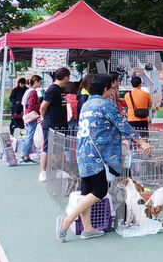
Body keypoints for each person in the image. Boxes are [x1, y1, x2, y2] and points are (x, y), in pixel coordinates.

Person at [56, 74, 151, 242]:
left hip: (83, 152)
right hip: (97, 154)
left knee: (86, 192)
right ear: (106, 89)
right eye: (112, 88)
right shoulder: (104, 105)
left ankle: (88, 228)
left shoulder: (86, 104)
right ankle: (68, 219)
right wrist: (142, 142)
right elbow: (123, 126)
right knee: (100, 191)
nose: (113, 91)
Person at [39, 67, 71, 182]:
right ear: (66, 76)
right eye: (69, 76)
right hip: (51, 124)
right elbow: (43, 106)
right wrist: (43, 117)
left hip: (61, 124)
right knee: (47, 148)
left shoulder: (60, 89)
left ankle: (58, 170)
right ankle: (43, 172)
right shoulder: (52, 89)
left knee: (59, 148)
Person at [20, 76, 43, 163]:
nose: (40, 84)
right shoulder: (33, 92)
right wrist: (40, 105)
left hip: (28, 115)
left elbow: (26, 104)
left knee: (29, 135)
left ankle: (25, 154)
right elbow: (31, 105)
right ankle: (25, 155)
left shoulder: (28, 91)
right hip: (32, 116)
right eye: (40, 82)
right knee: (30, 136)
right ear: (36, 82)